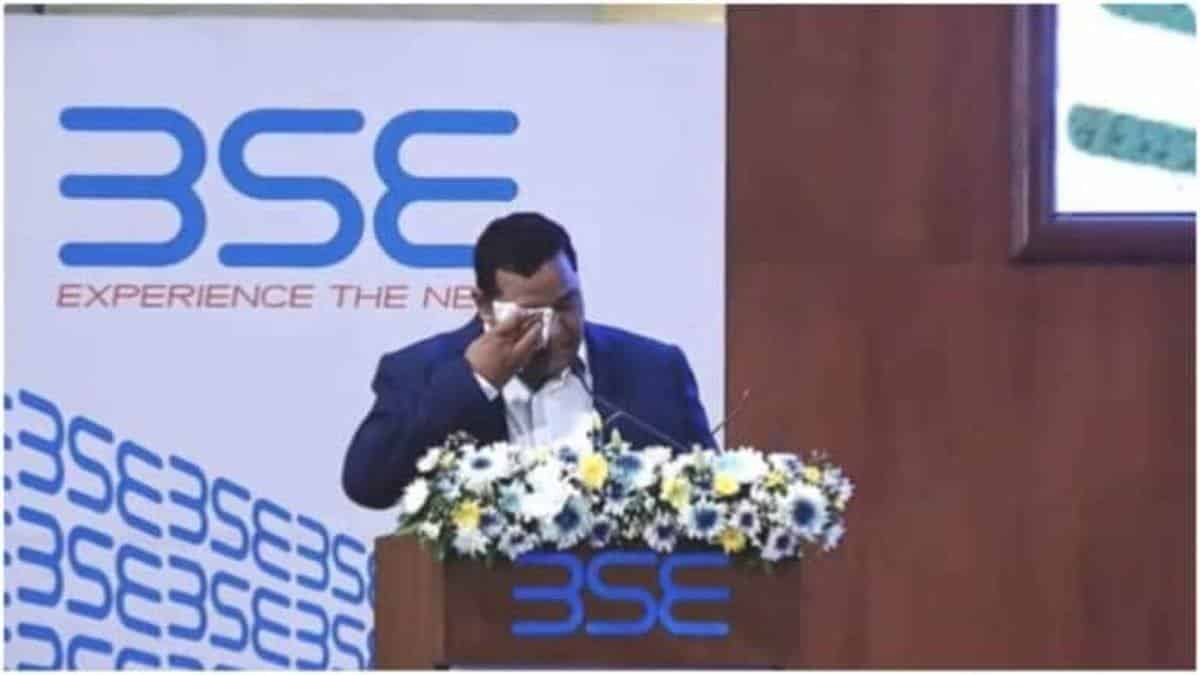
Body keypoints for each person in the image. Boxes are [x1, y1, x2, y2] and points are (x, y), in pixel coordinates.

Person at [342, 212, 714, 509]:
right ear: (484, 305)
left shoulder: (655, 369)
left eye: (567, 305)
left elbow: (711, 494)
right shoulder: (420, 371)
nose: (556, 332)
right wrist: (473, 381)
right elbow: (368, 486)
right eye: (533, 316)